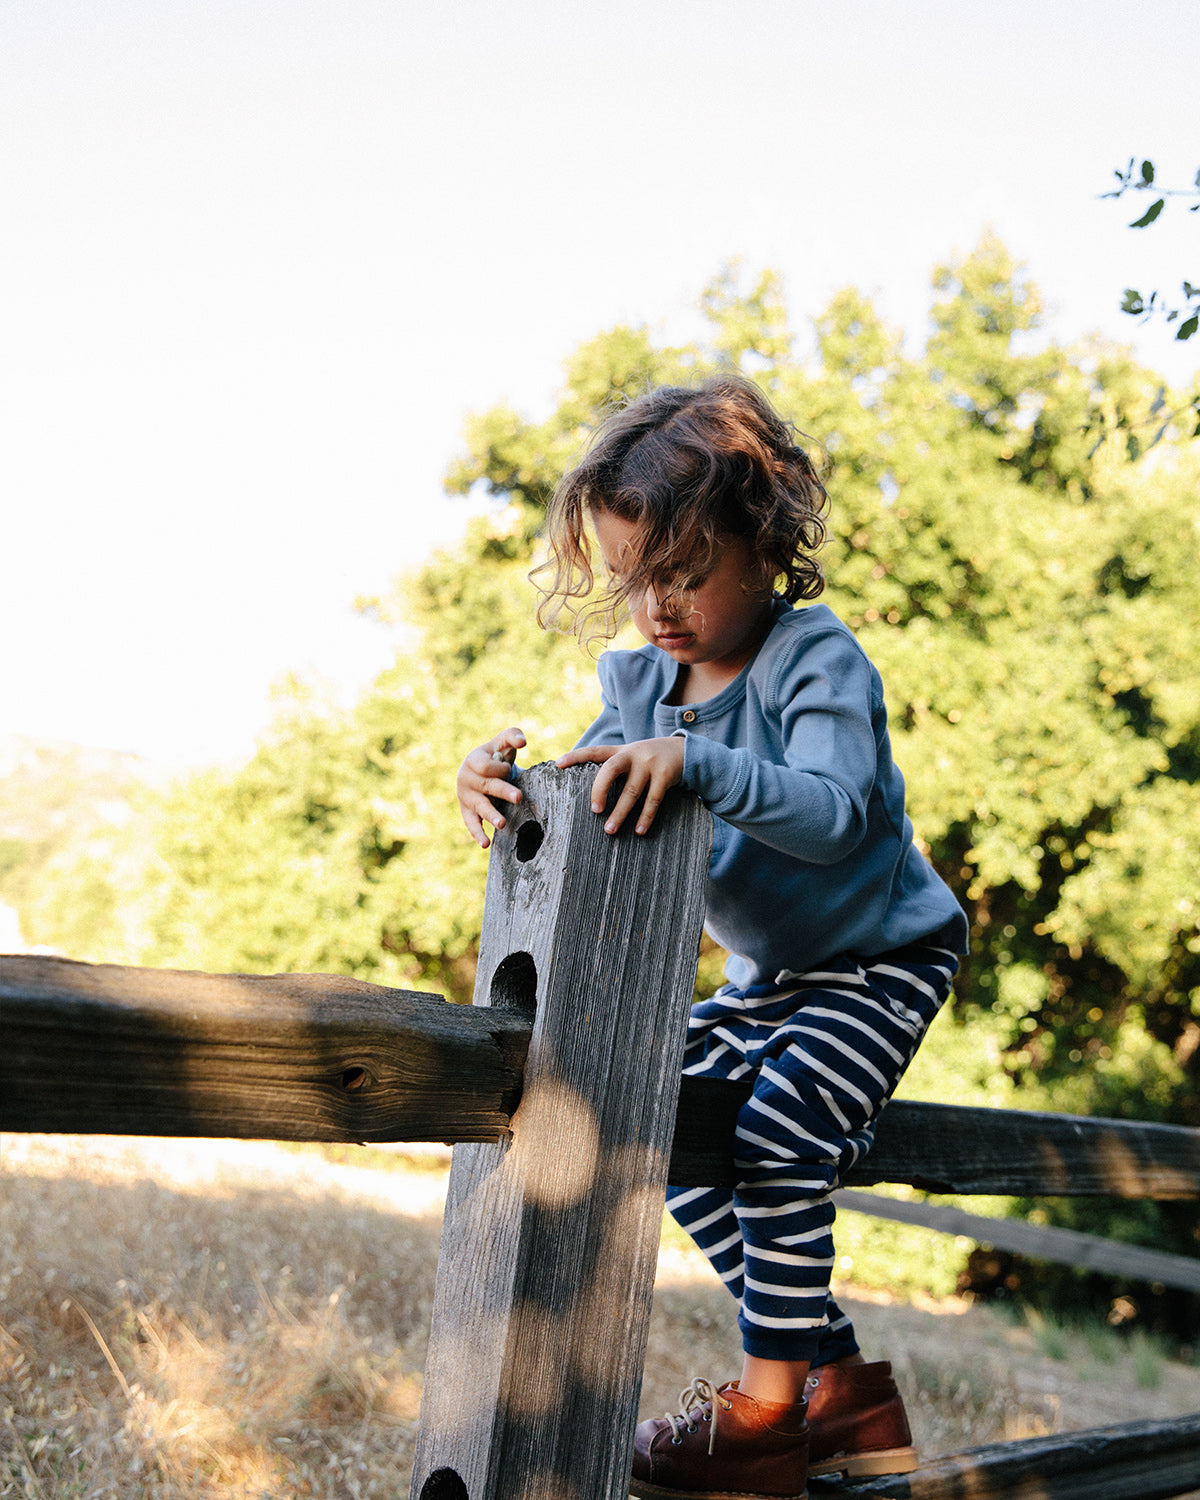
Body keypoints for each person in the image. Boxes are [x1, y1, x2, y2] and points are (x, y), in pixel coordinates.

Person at [455, 375, 968, 1500]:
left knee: (781, 1137)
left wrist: (703, 762)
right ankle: (841, 1392)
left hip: (880, 962)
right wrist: (502, 790)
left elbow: (833, 819)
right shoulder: (644, 686)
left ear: (767, 543)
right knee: (658, 1117)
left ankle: (766, 1420)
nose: (657, 609)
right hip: (771, 980)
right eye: (637, 582)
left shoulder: (815, 658)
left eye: (684, 575)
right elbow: (587, 799)